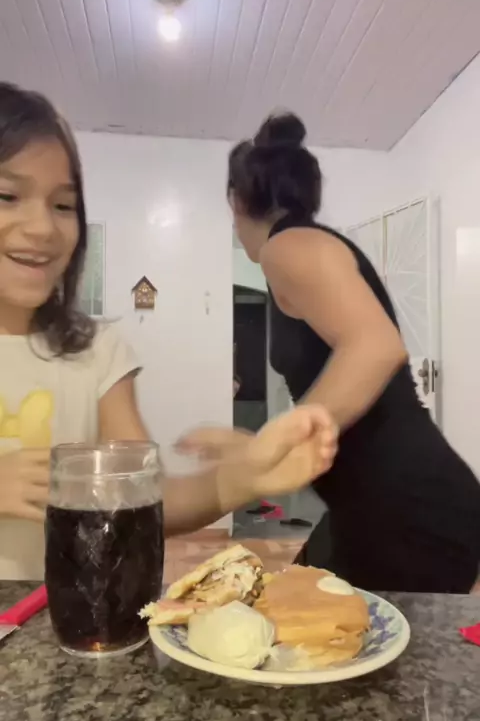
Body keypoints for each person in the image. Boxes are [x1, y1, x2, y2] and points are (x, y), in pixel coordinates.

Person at [0, 84, 338, 581]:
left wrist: (248, 474)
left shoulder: (98, 352)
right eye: (7, 196)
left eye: (63, 205)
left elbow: (148, 498)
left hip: (62, 616)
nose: (42, 228)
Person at [185, 112, 480, 594]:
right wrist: (264, 448)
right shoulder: (304, 245)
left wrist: (272, 444)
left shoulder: (286, 247)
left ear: (237, 201)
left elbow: (377, 347)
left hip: (406, 506)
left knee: (342, 631)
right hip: (374, 501)